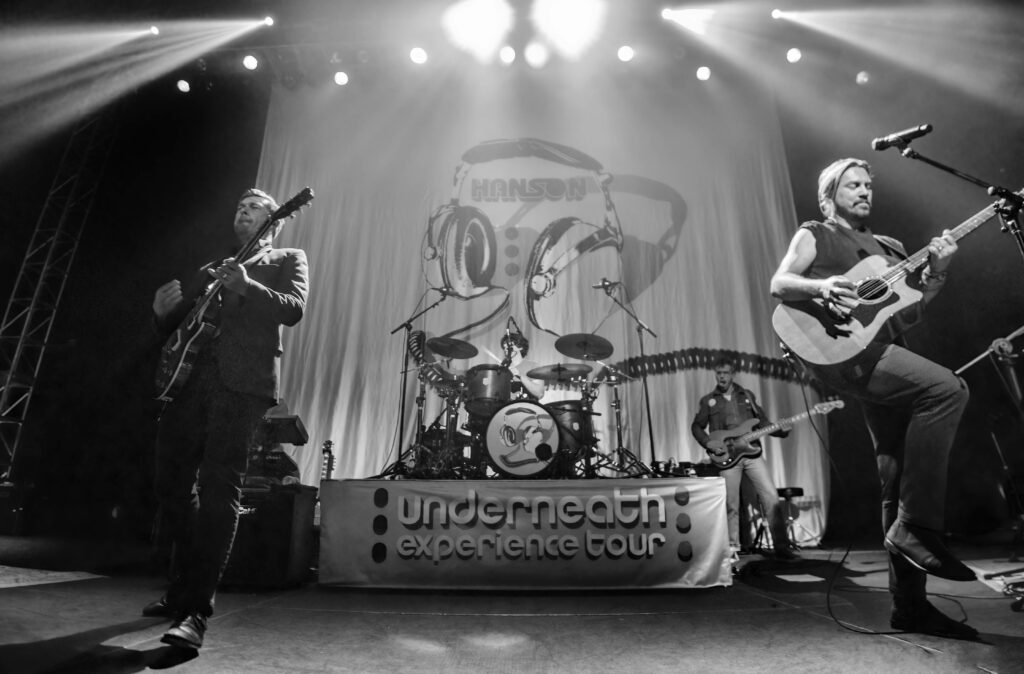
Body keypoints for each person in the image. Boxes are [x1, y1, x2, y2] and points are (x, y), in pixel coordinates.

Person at [770, 158, 976, 639]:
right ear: (829, 195)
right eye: (853, 184)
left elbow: (908, 312)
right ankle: (917, 528)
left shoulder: (892, 249)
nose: (864, 191)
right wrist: (823, 286)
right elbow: (780, 283)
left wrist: (938, 273)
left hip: (881, 349)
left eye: (868, 184)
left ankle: (910, 607)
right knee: (947, 389)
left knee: (896, 475)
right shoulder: (816, 233)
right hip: (844, 352)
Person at [146, 188, 309, 649]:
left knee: (221, 490)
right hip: (189, 384)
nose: (243, 211)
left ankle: (196, 609)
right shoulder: (212, 268)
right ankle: (182, 586)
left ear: (276, 220)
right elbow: (184, 328)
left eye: (254, 207)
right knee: (169, 487)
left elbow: (294, 308)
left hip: (242, 386)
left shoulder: (287, 258)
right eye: (239, 206)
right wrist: (162, 316)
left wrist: (247, 286)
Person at [691, 357, 796, 560]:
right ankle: (732, 548)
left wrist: (781, 430)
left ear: (733, 374)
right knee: (731, 504)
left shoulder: (747, 396)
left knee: (771, 497)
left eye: (725, 373)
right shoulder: (708, 400)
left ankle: (782, 547)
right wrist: (707, 442)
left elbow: (763, 423)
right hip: (727, 457)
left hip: (752, 453)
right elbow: (696, 426)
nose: (722, 377)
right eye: (719, 373)